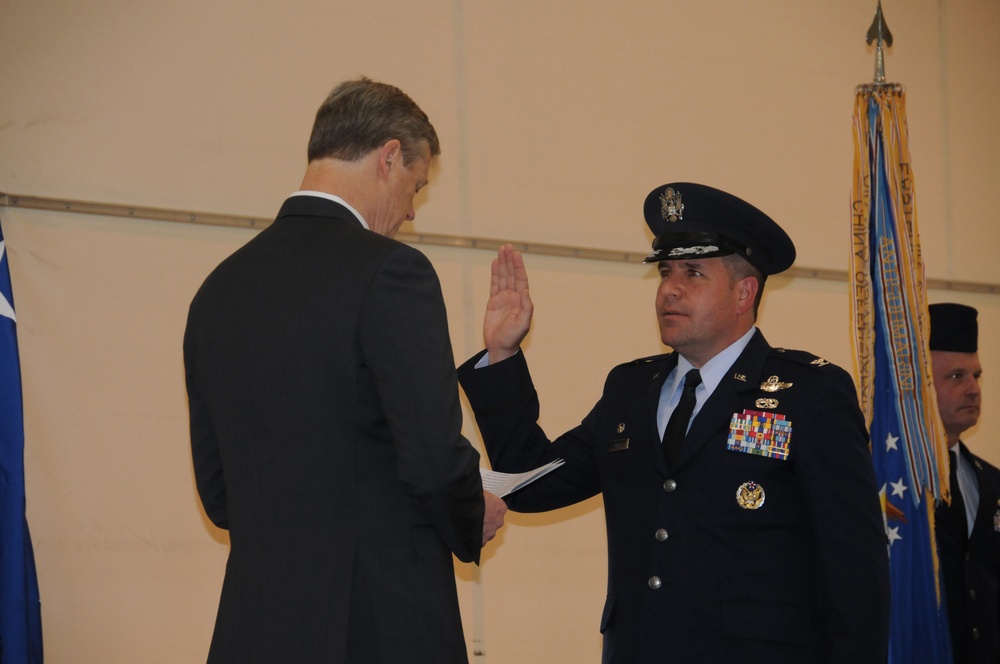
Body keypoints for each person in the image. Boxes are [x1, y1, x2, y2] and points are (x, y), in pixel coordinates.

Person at [458, 182, 890, 663]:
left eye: (694, 273)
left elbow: (856, 571)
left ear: (745, 291)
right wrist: (502, 353)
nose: (669, 289)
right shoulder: (630, 391)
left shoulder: (810, 393)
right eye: (665, 271)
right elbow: (529, 481)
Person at [183, 77, 506, 664]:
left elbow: (220, 493)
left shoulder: (217, 290)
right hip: (376, 625)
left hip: (256, 627)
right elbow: (433, 460)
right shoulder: (392, 273)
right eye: (416, 185)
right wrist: (469, 506)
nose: (411, 210)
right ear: (389, 157)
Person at [930, 303, 1000, 663]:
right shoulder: (883, 482)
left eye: (977, 375)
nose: (974, 389)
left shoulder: (991, 482)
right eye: (956, 376)